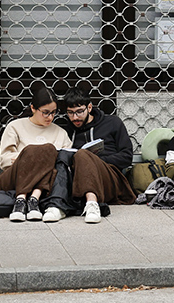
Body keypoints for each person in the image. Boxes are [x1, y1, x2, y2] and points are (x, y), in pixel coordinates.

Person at [47, 85, 136, 223]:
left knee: (83, 155)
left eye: (79, 112)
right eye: (70, 113)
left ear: (89, 108)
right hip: (79, 180)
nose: (75, 117)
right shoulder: (67, 131)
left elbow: (127, 157)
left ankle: (92, 204)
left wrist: (94, 160)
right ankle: (59, 206)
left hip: (110, 178)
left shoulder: (112, 122)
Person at [0, 84, 71, 222]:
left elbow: (64, 165)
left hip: (47, 183)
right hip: (13, 179)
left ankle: (29, 200)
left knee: (49, 152)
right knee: (38, 150)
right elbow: (4, 160)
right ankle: (24, 198)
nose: (50, 117)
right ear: (33, 108)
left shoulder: (60, 133)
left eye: (53, 112)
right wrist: (27, 158)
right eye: (45, 112)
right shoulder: (15, 126)